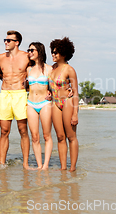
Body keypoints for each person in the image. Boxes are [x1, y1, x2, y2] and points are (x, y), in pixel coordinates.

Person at [0, 30, 31, 169]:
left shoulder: (26, 56)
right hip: (5, 94)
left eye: (9, 40)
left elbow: (40, 70)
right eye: (5, 40)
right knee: (4, 131)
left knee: (23, 130)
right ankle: (1, 163)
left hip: (20, 94)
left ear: (17, 42)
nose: (6, 42)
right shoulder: (0, 57)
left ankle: (25, 163)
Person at [49, 37, 79, 172]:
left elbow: (76, 92)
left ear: (64, 53)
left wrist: (75, 114)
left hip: (68, 102)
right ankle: (63, 168)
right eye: (52, 52)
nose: (53, 55)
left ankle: (72, 168)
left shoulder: (69, 69)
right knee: (60, 137)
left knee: (71, 136)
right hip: (55, 103)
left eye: (56, 52)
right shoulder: (52, 69)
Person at [26, 42, 53, 170]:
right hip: (30, 103)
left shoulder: (49, 69)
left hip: (45, 103)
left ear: (39, 52)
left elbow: (57, 85)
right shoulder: (28, 69)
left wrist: (53, 94)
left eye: (32, 50)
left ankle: (46, 165)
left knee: (46, 135)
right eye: (29, 50)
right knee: (34, 136)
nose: (29, 52)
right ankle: (39, 165)